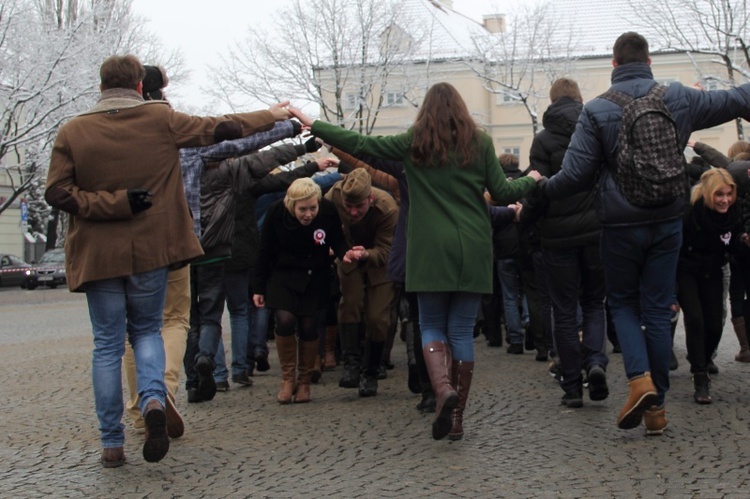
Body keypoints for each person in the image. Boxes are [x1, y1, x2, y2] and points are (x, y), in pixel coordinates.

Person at [44, 54, 291, 467]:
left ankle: (112, 443)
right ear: (140, 85)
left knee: (107, 345)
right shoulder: (162, 120)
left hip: (99, 255)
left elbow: (57, 193)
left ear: (101, 86)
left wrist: (109, 203)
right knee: (147, 331)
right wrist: (272, 115)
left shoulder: (73, 131)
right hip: (151, 250)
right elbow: (221, 128)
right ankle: (154, 400)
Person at [290, 81, 541, 441]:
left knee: (432, 326)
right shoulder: (480, 142)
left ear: (425, 112)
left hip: (428, 250)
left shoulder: (413, 143)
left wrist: (314, 124)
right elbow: (502, 192)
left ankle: (442, 391)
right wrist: (530, 180)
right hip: (471, 245)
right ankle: (456, 420)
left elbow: (362, 144)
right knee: (460, 332)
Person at [541, 32, 750, 435]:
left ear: (614, 66)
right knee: (658, 308)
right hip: (668, 220)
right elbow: (738, 98)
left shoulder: (598, 109)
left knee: (621, 304)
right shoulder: (678, 97)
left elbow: (574, 176)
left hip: (619, 226)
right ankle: (657, 409)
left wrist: (541, 191)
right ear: (649, 61)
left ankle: (639, 381)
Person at [521, 77, 608, 408]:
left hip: (557, 238)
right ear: (580, 98)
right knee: (594, 303)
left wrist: (526, 220)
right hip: (596, 231)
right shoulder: (596, 128)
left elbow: (537, 187)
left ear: (552, 101)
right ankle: (596, 362)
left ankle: (572, 386)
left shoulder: (543, 140)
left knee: (564, 309)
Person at [253, 178, 359, 403]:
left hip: (314, 275)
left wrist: (345, 254)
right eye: (303, 209)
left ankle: (304, 382)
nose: (308, 214)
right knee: (284, 320)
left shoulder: (328, 212)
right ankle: (287, 378)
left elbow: (337, 240)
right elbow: (264, 250)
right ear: (292, 205)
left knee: (309, 326)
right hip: (282, 274)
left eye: (313, 208)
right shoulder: (276, 213)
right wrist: (258, 287)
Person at [324, 168, 398, 397]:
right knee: (350, 305)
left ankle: (371, 371)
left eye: (359, 207)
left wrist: (367, 253)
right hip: (347, 257)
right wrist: (337, 248)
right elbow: (324, 224)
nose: (353, 212)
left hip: (379, 262)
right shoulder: (333, 196)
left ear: (371, 199)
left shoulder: (387, 208)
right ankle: (351, 364)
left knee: (377, 318)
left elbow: (387, 249)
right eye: (349, 207)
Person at [677, 169, 747, 404]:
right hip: (686, 269)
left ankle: (703, 359)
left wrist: (743, 242)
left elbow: (735, 247)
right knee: (695, 320)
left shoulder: (733, 213)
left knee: (715, 325)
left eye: (728, 194)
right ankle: (700, 377)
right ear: (709, 194)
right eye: (719, 195)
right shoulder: (691, 213)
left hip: (713, 270)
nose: (725, 200)